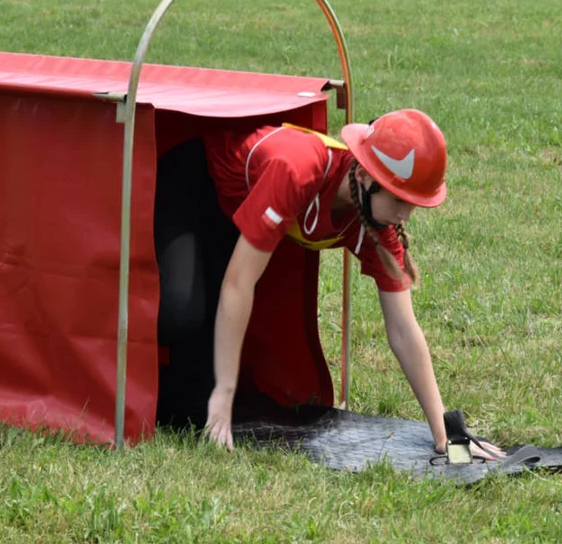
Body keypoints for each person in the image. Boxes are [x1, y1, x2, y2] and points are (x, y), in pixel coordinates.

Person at [153, 109, 506, 460]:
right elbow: (238, 284)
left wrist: (443, 433)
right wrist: (224, 394)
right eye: (400, 200)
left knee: (190, 409)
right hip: (192, 181)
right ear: (366, 177)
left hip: (234, 213)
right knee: (179, 315)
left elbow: (403, 328)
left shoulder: (375, 225)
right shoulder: (296, 171)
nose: (406, 215)